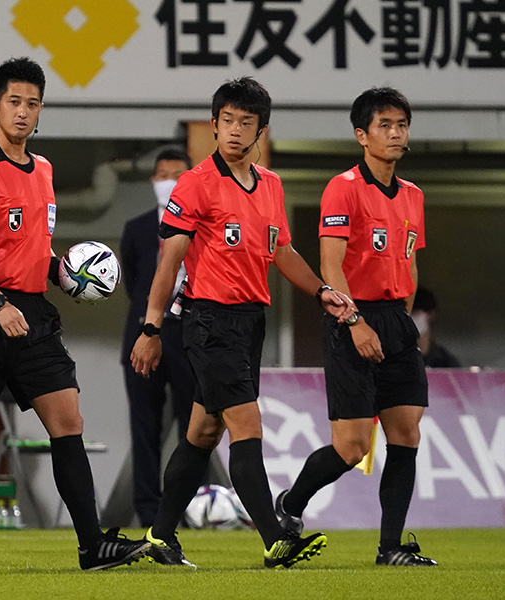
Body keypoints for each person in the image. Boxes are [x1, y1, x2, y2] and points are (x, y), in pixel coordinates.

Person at [0, 56, 149, 572]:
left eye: (32, 103)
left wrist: (67, 274)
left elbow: (33, 248)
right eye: (14, 102)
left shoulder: (43, 170)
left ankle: (91, 546)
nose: (23, 112)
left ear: (41, 109)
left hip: (33, 313)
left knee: (68, 419)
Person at [131, 77, 355, 569]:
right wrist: (150, 330)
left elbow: (282, 251)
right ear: (213, 125)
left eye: (245, 123)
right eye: (227, 120)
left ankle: (160, 535)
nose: (234, 130)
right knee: (245, 424)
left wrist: (320, 290)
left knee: (202, 433)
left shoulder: (271, 185)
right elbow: (168, 264)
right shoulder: (194, 184)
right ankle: (276, 538)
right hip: (208, 321)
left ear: (261, 131)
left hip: (251, 322)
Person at [275, 87, 438, 567]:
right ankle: (291, 503)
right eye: (384, 125)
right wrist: (354, 320)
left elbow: (409, 265)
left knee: (406, 433)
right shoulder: (343, 187)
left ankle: (390, 548)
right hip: (352, 315)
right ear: (361, 134)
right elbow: (331, 262)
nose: (395, 133)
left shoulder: (413, 196)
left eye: (401, 124)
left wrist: (401, 321)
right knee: (351, 447)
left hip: (395, 320)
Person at [120, 148, 195, 528]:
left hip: (189, 334)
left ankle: (192, 508)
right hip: (143, 333)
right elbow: (132, 282)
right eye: (162, 175)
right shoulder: (137, 228)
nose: (169, 182)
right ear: (153, 181)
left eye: (177, 175)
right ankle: (148, 510)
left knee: (195, 428)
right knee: (144, 429)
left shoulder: (202, 225)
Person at [411, 287, 460, 368]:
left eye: (414, 313)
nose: (410, 318)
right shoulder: (395, 359)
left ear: (431, 314)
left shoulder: (445, 362)